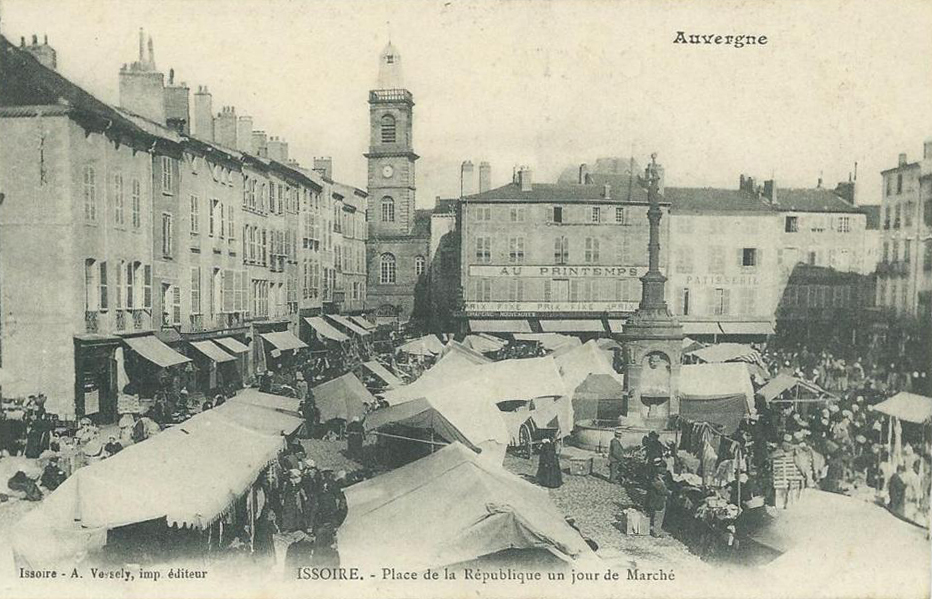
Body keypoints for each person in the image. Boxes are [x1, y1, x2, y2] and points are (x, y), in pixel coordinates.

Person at [645, 463, 670, 537]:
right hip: (658, 501)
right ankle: (656, 532)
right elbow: (663, 491)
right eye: (662, 474)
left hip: (655, 500)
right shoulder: (657, 482)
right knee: (659, 516)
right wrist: (669, 492)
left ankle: (655, 529)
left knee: (656, 516)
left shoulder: (654, 479)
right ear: (659, 474)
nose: (664, 476)